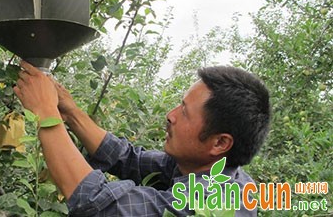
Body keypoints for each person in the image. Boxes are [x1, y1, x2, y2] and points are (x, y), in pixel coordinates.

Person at [14, 61, 271, 216]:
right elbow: (127, 159)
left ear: (219, 143)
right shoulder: (202, 169)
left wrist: (45, 113)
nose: (170, 116)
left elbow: (99, 206)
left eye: (184, 113)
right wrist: (70, 112)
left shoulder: (208, 205)